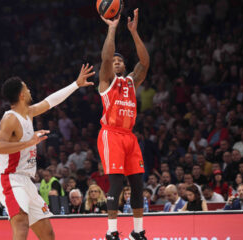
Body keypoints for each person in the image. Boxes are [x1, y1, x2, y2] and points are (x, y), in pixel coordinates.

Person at [0, 65, 94, 240]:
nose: (30, 90)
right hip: (11, 179)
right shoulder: (10, 118)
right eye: (27, 88)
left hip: (27, 181)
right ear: (22, 95)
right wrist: (29, 142)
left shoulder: (28, 113)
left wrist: (76, 84)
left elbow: (50, 101)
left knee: (47, 233)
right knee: (21, 224)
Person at [97, 8, 150, 240]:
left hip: (129, 136)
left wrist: (134, 32)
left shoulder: (131, 82)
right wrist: (112, 29)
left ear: (124, 66)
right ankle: (111, 233)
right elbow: (106, 58)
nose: (116, 62)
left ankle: (137, 231)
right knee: (116, 183)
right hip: (111, 135)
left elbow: (145, 63)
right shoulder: (107, 82)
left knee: (137, 183)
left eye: (120, 60)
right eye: (114, 61)